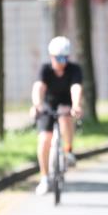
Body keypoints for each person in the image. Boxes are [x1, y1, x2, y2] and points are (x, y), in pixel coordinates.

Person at [31, 36, 84, 195]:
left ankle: (68, 150)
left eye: (65, 58)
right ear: (51, 56)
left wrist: (76, 105)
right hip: (48, 104)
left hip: (66, 103)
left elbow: (76, 88)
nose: (62, 61)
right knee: (44, 140)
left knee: (66, 117)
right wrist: (37, 105)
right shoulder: (45, 69)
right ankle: (44, 178)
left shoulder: (74, 69)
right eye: (58, 58)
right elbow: (38, 87)